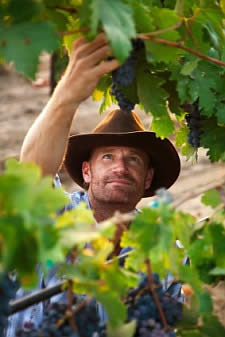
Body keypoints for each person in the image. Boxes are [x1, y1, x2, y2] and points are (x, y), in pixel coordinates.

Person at [6, 33, 181, 336]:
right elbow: (31, 176)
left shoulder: (167, 253)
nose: (120, 168)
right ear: (86, 172)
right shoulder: (55, 219)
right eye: (108, 157)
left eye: (134, 160)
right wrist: (67, 97)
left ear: (148, 178)